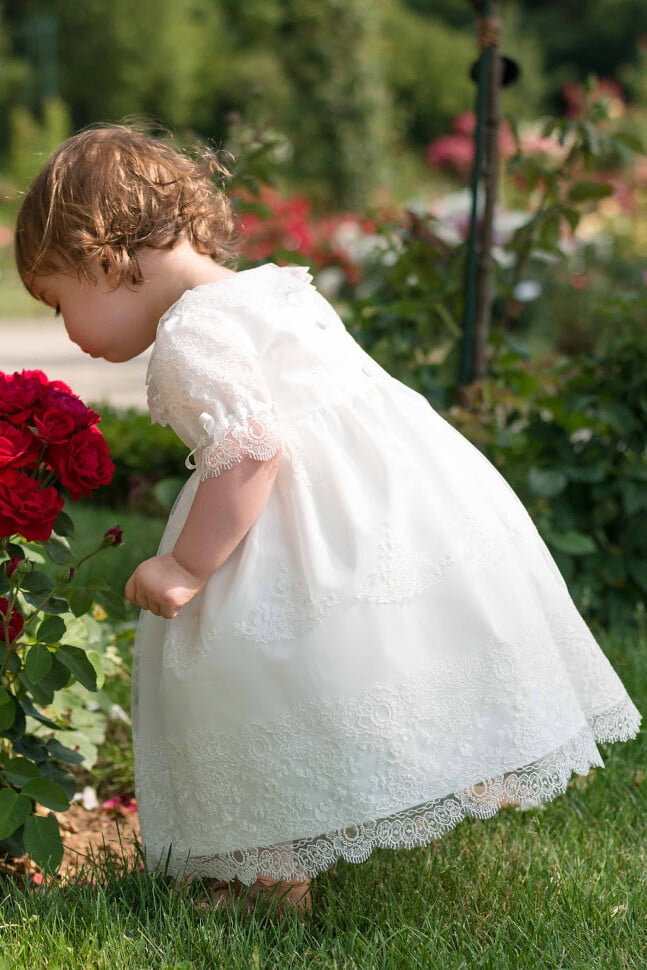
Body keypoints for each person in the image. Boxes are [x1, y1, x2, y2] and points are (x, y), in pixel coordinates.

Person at [14, 121, 642, 921]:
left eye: (59, 301)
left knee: (237, 678)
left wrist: (186, 567)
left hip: (290, 528)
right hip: (392, 508)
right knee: (359, 660)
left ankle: (265, 878)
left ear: (105, 258)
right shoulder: (275, 288)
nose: (66, 330)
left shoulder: (192, 333)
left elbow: (252, 449)